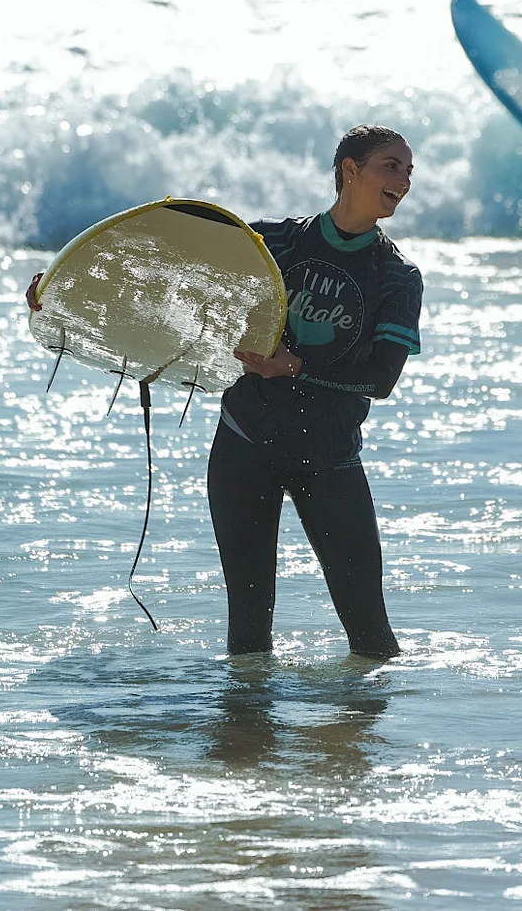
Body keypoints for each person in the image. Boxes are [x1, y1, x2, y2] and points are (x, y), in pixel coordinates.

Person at [27, 124, 422, 661]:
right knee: (248, 638)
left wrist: (295, 366)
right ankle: (245, 718)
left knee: (372, 640)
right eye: (391, 166)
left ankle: (362, 719)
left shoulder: (396, 275)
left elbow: (382, 378)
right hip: (245, 447)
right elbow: (162, 268)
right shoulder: (273, 244)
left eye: (408, 170)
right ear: (350, 171)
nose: (404, 180)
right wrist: (64, 289)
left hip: (329, 456)